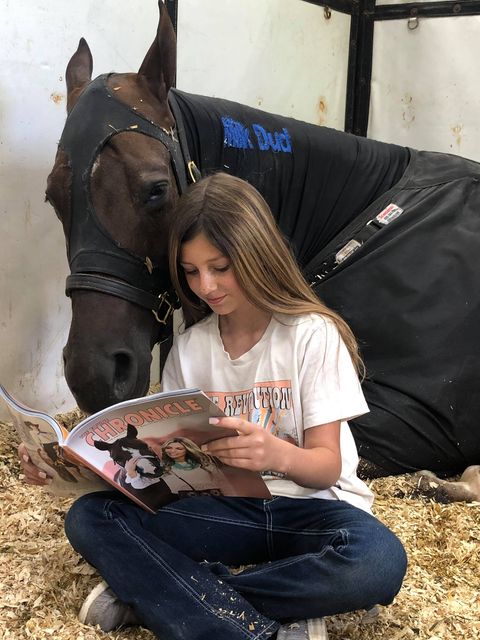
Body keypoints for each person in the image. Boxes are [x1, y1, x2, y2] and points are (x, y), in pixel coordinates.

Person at [18, 172, 407, 640]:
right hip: (225, 514)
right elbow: (169, 475)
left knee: (378, 561)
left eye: (221, 267)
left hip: (313, 513)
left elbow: (327, 467)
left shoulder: (311, 334)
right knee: (89, 517)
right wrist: (69, 469)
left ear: (257, 253)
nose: (206, 285)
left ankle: (167, 600)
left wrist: (277, 455)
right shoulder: (189, 348)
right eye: (190, 271)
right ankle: (250, 622)